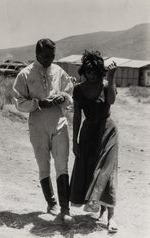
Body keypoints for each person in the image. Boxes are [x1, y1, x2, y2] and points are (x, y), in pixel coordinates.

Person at [13, 38, 74, 223]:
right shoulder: (25, 74)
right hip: (37, 125)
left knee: (62, 164)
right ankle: (52, 203)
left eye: (52, 56)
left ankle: (65, 209)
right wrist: (38, 103)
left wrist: (61, 98)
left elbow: (69, 92)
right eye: (46, 56)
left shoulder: (58, 71)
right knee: (43, 165)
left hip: (58, 122)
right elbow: (18, 102)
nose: (49, 59)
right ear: (37, 54)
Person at [70, 50, 118, 233]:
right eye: (88, 72)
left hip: (108, 131)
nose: (91, 76)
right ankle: (100, 210)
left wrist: (112, 78)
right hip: (88, 132)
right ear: (84, 71)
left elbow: (111, 101)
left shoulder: (106, 85)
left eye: (94, 72)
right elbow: (76, 116)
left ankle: (111, 218)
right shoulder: (78, 89)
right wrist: (74, 141)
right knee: (91, 170)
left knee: (107, 171)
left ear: (100, 72)